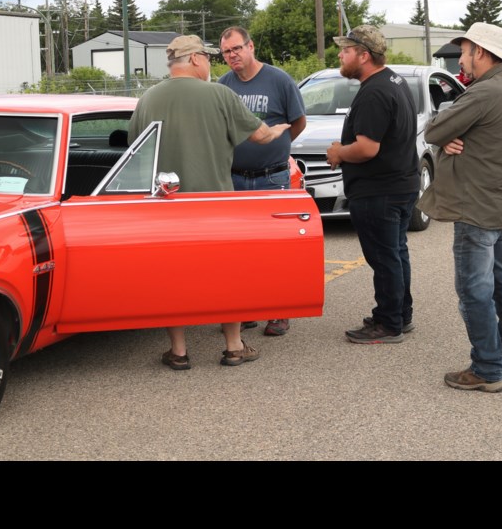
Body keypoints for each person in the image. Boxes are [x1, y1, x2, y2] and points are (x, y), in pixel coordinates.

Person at [129, 34, 290, 370]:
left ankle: (179, 352)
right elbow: (260, 136)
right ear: (197, 59)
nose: (211, 65)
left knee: (172, 276)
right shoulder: (219, 93)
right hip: (215, 202)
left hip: (166, 204)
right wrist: (278, 131)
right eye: (209, 58)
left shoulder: (147, 99)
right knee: (223, 275)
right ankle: (233, 346)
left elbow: (134, 149)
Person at [416, 22, 502, 393]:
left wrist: (447, 135)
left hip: (477, 209)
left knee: (474, 290)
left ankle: (487, 367)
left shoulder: (483, 92)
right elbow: (471, 134)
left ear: (479, 51)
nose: (460, 58)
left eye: (463, 50)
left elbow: (433, 130)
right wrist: (454, 137)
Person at [325, 25, 419, 344]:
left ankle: (389, 322)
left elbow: (367, 148)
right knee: (395, 253)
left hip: (379, 190)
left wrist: (339, 152)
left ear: (364, 55)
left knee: (384, 257)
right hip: (400, 185)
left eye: (346, 50)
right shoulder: (394, 80)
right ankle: (400, 314)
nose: (340, 54)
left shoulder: (375, 91)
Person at [217, 26, 307, 337]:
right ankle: (246, 310)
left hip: (272, 178)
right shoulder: (223, 85)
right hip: (236, 179)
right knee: (241, 250)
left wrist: (277, 148)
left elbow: (298, 122)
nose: (232, 56)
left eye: (237, 49)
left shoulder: (279, 80)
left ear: (251, 46)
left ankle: (279, 312)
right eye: (227, 52)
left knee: (276, 248)